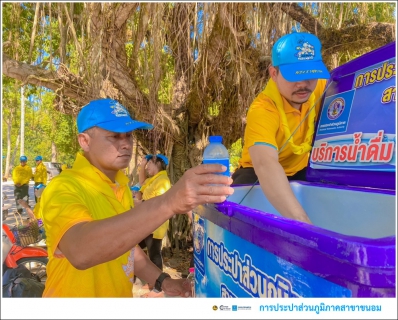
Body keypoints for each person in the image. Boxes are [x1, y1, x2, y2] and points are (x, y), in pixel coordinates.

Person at [38, 98, 233, 297]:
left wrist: (163, 281)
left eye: (129, 136)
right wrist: (168, 202)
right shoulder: (63, 187)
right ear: (84, 141)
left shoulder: (121, 187)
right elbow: (80, 251)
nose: (125, 145)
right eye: (114, 136)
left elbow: (127, 248)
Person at [232, 32, 330, 224]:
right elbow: (265, 164)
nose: (302, 85)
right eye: (294, 76)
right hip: (255, 174)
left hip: (303, 170)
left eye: (310, 75)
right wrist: (303, 223)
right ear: (274, 74)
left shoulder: (320, 86)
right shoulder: (262, 110)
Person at [135, 153, 171, 292]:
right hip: (146, 223)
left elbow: (160, 202)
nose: (147, 167)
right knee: (136, 248)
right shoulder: (153, 180)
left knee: (154, 254)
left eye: (149, 163)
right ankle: (151, 282)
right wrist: (143, 166)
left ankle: (158, 288)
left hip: (155, 224)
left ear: (157, 162)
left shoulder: (163, 180)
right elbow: (141, 186)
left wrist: (140, 203)